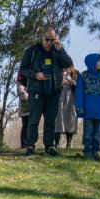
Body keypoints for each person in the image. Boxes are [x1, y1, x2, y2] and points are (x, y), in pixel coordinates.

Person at [18, 26, 74, 156]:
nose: (49, 42)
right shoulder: (32, 51)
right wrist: (35, 75)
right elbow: (23, 69)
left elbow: (67, 65)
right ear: (42, 37)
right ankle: (30, 146)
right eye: (47, 39)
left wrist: (60, 49)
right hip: (36, 91)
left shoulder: (58, 51)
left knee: (50, 121)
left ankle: (49, 147)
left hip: (54, 92)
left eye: (52, 39)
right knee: (33, 120)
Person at [75, 53, 100, 161]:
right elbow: (79, 93)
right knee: (88, 131)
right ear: (92, 62)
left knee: (98, 131)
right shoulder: (83, 75)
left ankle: (95, 151)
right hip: (88, 109)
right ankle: (87, 151)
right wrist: (79, 107)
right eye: (99, 61)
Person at [55, 68, 78, 149]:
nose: (66, 68)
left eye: (68, 66)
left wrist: (73, 83)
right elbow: (53, 85)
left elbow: (79, 87)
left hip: (71, 100)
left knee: (71, 119)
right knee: (58, 120)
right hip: (59, 99)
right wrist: (60, 84)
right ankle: (56, 142)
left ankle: (69, 143)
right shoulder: (57, 73)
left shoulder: (75, 74)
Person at [16, 72, 30, 149]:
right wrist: (26, 91)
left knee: (31, 123)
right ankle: (24, 144)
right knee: (26, 123)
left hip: (33, 99)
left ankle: (29, 143)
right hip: (25, 100)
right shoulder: (21, 73)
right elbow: (20, 87)